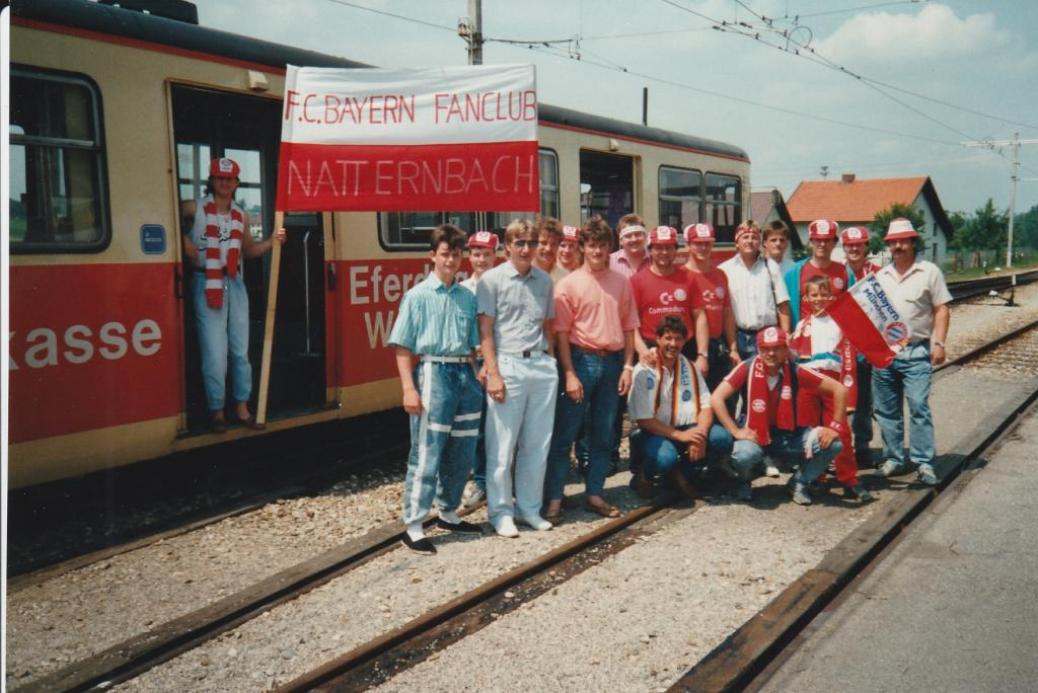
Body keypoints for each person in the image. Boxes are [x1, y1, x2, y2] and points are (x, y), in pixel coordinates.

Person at [387, 225, 484, 554]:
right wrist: (408, 389)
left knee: (462, 450)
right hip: (433, 372)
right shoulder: (417, 296)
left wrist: (480, 376)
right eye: (445, 254)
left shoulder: (468, 297)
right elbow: (402, 346)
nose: (451, 260)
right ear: (433, 256)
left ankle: (448, 511)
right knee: (427, 451)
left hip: (464, 374)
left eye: (457, 254)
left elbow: (472, 347)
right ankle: (413, 525)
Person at [543, 216, 638, 524]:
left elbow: (629, 327)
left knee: (604, 433)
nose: (597, 251)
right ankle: (555, 498)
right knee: (565, 433)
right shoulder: (567, 285)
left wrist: (627, 366)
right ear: (582, 247)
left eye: (602, 245)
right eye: (592, 245)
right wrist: (569, 373)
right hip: (581, 362)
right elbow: (561, 334)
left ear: (610, 248)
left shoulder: (622, 282)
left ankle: (595, 492)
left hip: (612, 364)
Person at [181, 157, 285, 432]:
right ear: (211, 180)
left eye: (230, 179)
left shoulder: (242, 214)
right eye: (219, 178)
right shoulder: (195, 208)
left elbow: (247, 251)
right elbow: (162, 214)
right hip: (206, 282)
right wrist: (183, 240)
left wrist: (272, 242)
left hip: (235, 285)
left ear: (237, 183)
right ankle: (216, 411)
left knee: (240, 351)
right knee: (214, 352)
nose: (225, 183)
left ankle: (241, 408)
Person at [477, 219, 558, 537]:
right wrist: (493, 373)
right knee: (502, 445)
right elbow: (485, 331)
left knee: (537, 445)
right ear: (507, 246)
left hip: (540, 366)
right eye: (520, 243)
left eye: (532, 243)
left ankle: (528, 509)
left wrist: (551, 363)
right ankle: (500, 512)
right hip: (508, 366)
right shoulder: (491, 280)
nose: (527, 249)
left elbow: (548, 327)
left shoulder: (545, 281)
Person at [710, 326, 848, 505]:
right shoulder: (747, 367)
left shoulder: (795, 370)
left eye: (776, 348)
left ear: (785, 349)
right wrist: (735, 431)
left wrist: (834, 426)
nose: (771, 354)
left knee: (833, 444)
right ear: (759, 350)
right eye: (765, 349)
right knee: (743, 455)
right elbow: (716, 398)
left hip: (788, 435)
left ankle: (798, 482)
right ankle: (743, 481)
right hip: (754, 435)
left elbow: (840, 390)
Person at [872, 218, 952, 486]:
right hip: (884, 353)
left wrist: (939, 343)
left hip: (916, 351)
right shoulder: (881, 276)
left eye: (903, 240)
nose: (898, 245)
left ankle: (924, 462)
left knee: (918, 407)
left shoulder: (929, 272)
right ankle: (894, 458)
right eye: (893, 242)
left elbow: (942, 308)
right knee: (886, 410)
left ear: (913, 242)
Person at [628, 316, 734, 498]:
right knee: (665, 458)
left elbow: (706, 405)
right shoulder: (644, 369)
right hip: (654, 431)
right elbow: (644, 420)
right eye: (668, 338)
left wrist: (699, 435)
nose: (673, 344)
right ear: (658, 339)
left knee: (721, 438)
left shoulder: (689, 366)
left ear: (684, 341)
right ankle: (644, 476)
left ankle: (682, 474)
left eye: (678, 339)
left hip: (685, 427)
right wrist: (681, 436)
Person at [789, 276, 874, 503]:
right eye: (813, 295)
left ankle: (848, 478)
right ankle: (815, 475)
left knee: (841, 431)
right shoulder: (802, 325)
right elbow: (793, 353)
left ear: (831, 296)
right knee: (809, 431)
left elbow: (859, 342)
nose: (819, 299)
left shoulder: (840, 322)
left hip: (832, 382)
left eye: (823, 294)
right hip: (808, 382)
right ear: (806, 298)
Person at [458, 230, 498, 516]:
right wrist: (475, 365)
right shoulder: (463, 290)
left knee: (505, 428)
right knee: (479, 429)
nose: (481, 259)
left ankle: (507, 483)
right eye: (476, 254)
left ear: (495, 256)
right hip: (474, 366)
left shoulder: (502, 285)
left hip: (499, 362)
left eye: (486, 254)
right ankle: (482, 482)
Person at [630, 225, 706, 367]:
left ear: (676, 250)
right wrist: (642, 351)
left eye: (669, 247)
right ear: (650, 250)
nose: (664, 252)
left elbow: (700, 316)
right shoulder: (636, 281)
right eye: (658, 248)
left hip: (685, 349)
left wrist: (703, 355)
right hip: (651, 351)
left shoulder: (690, 278)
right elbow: (630, 323)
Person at [718, 221, 792, 361]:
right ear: (737, 242)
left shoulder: (771, 267)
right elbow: (726, 312)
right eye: (745, 237)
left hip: (768, 336)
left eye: (754, 237)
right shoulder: (725, 270)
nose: (750, 241)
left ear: (760, 242)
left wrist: (786, 336)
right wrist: (732, 348)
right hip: (738, 337)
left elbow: (783, 305)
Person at [841, 225, 881, 466]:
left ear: (866, 246)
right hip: (841, 347)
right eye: (849, 245)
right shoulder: (837, 273)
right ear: (844, 248)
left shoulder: (877, 273)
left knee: (865, 400)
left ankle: (863, 445)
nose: (854, 249)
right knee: (841, 399)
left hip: (867, 348)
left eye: (859, 244)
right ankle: (840, 446)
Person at [683, 222, 739, 392]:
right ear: (688, 245)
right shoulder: (680, 275)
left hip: (718, 346)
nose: (703, 248)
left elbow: (727, 313)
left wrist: (733, 348)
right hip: (690, 348)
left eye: (707, 243)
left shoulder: (720, 275)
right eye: (698, 243)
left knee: (722, 398)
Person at [784, 218, 854, 326]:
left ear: (834, 243)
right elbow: (785, 309)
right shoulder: (793, 274)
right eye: (817, 240)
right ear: (811, 242)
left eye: (827, 240)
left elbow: (852, 308)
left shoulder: (845, 273)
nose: (822, 244)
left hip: (835, 335)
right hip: (805, 337)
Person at [609, 213, 650, 277]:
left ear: (645, 236)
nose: (634, 239)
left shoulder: (656, 260)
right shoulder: (609, 262)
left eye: (638, 234)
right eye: (628, 236)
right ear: (620, 241)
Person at [533, 216, 567, 282]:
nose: (548, 249)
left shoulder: (565, 278)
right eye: (544, 243)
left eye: (553, 244)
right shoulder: (523, 274)